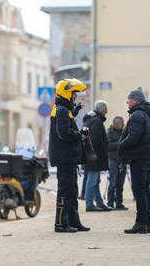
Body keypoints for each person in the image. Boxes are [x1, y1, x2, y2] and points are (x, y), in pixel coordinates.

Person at [49, 78, 90, 233]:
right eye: (73, 93)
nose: (75, 96)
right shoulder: (61, 110)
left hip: (68, 157)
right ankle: (60, 223)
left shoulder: (63, 110)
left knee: (72, 190)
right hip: (64, 157)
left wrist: (76, 110)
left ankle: (74, 221)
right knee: (65, 190)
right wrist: (79, 135)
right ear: (66, 93)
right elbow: (64, 132)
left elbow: (67, 119)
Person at [119, 87, 150, 234]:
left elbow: (133, 137)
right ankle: (146, 224)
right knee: (145, 190)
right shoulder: (147, 115)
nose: (127, 101)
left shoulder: (137, 115)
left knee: (140, 191)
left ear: (135, 100)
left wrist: (121, 146)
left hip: (139, 158)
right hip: (146, 157)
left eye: (129, 99)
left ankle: (141, 224)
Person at [83, 100, 110, 212]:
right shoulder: (97, 122)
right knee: (92, 181)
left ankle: (99, 202)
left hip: (89, 156)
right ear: (102, 110)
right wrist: (102, 155)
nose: (107, 111)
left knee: (95, 180)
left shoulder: (90, 120)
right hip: (94, 157)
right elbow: (96, 141)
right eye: (106, 109)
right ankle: (89, 204)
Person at [107, 116, 128, 210]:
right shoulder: (109, 133)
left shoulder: (125, 132)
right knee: (113, 183)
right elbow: (108, 146)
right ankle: (110, 203)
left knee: (120, 184)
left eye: (123, 123)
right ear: (115, 124)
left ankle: (119, 203)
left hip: (123, 160)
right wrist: (119, 144)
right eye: (120, 123)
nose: (122, 125)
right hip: (113, 160)